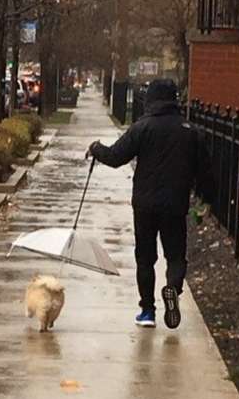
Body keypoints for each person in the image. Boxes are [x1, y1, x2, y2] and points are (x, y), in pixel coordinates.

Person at [88, 79, 213, 329]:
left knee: (145, 258)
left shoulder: (142, 127)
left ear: (151, 99)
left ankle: (147, 311)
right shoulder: (190, 131)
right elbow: (205, 171)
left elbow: (115, 157)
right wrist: (203, 200)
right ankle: (172, 289)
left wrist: (95, 148)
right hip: (175, 205)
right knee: (175, 255)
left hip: (144, 204)